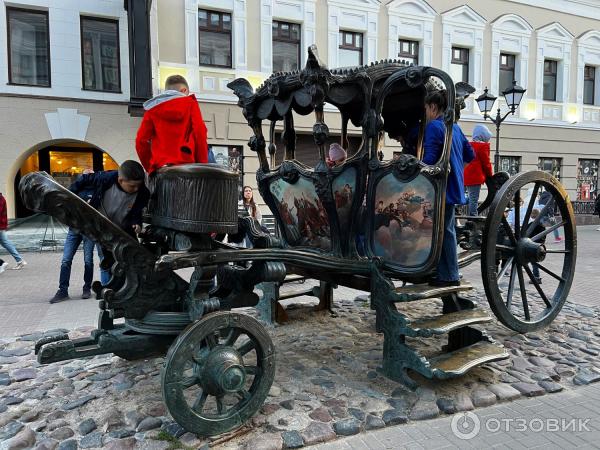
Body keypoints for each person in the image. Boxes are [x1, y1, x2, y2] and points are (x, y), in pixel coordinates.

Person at [49, 161, 150, 303]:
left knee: (128, 256)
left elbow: (136, 212)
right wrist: (69, 200)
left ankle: (123, 289)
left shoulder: (143, 192)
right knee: (101, 260)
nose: (136, 189)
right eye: (132, 186)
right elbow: (83, 180)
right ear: (120, 180)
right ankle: (105, 290)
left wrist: (136, 223)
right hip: (97, 227)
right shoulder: (105, 179)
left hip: (120, 229)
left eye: (138, 185)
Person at [422, 90, 474, 287]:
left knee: (443, 231)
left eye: (426, 109)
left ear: (433, 107)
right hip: (452, 188)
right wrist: (456, 172)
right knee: (447, 229)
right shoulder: (455, 127)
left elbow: (429, 160)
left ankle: (449, 275)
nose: (426, 113)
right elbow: (470, 155)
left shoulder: (435, 126)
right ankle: (447, 273)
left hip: (439, 189)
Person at [135, 75, 208, 174]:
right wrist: (202, 166)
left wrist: (150, 167)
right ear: (184, 90)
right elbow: (200, 133)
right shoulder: (190, 104)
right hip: (187, 167)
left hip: (161, 168)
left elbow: (141, 141)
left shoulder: (152, 109)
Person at [49, 169, 101, 303]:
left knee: (88, 261)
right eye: (85, 174)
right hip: (74, 229)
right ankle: (63, 290)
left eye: (91, 174)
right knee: (66, 260)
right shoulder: (75, 189)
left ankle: (87, 288)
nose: (88, 176)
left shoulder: (97, 190)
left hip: (89, 231)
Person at [464, 124, 494, 216]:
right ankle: (473, 216)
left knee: (467, 196)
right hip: (475, 176)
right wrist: (490, 175)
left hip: (465, 175)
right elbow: (486, 163)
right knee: (474, 198)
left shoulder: (468, 144)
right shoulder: (483, 146)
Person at [0, 191, 27, 270]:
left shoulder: (0, 199)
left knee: (6, 243)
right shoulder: (1, 198)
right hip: (1, 225)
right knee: (6, 243)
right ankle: (19, 260)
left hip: (0, 225)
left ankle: (3, 263)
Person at [524, 208, 545, 284]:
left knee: (534, 262)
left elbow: (525, 233)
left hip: (532, 245)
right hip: (539, 246)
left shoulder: (532, 225)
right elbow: (543, 236)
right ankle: (535, 276)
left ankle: (536, 277)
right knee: (534, 262)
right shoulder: (542, 225)